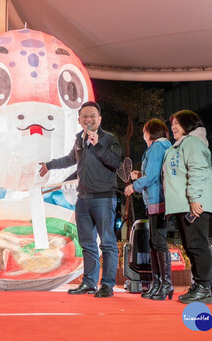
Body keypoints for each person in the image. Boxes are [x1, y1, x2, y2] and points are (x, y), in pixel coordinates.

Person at [39, 101, 121, 298]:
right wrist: (49, 165)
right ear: (79, 120)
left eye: (92, 116)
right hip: (82, 198)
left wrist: (97, 143)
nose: (88, 120)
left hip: (103, 197)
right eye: (84, 117)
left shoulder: (109, 139)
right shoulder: (79, 139)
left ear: (99, 119)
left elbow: (115, 162)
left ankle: (107, 284)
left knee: (107, 243)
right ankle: (89, 282)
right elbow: (70, 160)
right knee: (87, 243)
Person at [163, 110, 212, 304]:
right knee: (191, 245)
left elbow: (198, 170)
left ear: (189, 124)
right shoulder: (181, 145)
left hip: (195, 204)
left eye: (178, 123)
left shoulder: (193, 143)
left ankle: (204, 287)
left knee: (197, 244)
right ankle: (199, 285)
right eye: (172, 123)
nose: (173, 126)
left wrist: (194, 198)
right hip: (185, 204)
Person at [124, 119, 172, 300]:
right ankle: (158, 283)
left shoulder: (158, 148)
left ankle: (165, 284)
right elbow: (153, 173)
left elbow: (152, 176)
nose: (143, 135)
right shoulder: (160, 148)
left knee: (158, 242)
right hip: (155, 200)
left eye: (144, 131)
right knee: (154, 242)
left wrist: (135, 185)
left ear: (151, 132)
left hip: (158, 200)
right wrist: (140, 176)